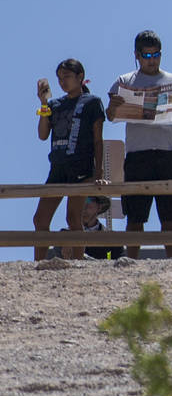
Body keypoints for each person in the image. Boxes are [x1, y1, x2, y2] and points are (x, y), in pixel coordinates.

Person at [106, 30, 172, 258]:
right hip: (138, 154)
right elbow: (110, 116)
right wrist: (113, 106)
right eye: (146, 55)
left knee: (170, 216)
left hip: (168, 153)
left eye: (156, 55)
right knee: (135, 216)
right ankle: (130, 261)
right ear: (136, 55)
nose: (152, 60)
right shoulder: (125, 81)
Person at [33, 59, 107, 261]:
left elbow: (98, 140)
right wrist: (44, 103)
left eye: (66, 76)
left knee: (74, 217)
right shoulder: (55, 105)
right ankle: (38, 265)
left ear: (80, 77)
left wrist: (98, 173)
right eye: (59, 78)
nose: (62, 81)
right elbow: (42, 134)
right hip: (57, 168)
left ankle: (77, 263)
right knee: (40, 219)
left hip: (81, 167)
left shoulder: (93, 102)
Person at [53, 196, 126, 260]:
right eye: (80, 203)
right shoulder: (64, 235)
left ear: (99, 207)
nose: (83, 208)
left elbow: (120, 265)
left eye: (88, 201)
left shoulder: (112, 238)